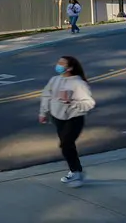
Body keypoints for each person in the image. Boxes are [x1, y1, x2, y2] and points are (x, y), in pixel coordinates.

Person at [39, 55, 96, 187]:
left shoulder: (78, 83)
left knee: (65, 144)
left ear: (69, 67)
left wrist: (71, 102)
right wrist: (43, 113)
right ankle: (76, 171)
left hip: (74, 118)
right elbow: (46, 96)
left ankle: (76, 173)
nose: (58, 65)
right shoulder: (54, 80)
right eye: (58, 62)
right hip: (57, 117)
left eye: (62, 63)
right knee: (68, 146)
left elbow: (89, 103)